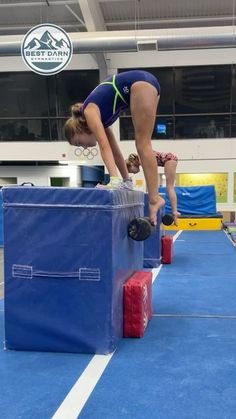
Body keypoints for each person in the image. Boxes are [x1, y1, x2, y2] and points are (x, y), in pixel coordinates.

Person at [64, 70, 165, 226]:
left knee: (143, 144)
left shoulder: (90, 112)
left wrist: (114, 180)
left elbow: (104, 147)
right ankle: (147, 194)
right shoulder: (99, 117)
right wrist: (126, 180)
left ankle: (154, 200)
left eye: (79, 142)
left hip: (140, 84)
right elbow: (115, 151)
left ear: (79, 130)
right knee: (142, 143)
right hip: (146, 83)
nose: (84, 147)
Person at [126, 152, 180, 225]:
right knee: (169, 187)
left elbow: (150, 176)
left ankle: (174, 212)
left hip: (169, 159)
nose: (132, 173)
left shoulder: (142, 158)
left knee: (169, 187)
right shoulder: (141, 158)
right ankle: (174, 211)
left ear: (131, 165)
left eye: (131, 171)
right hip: (169, 159)